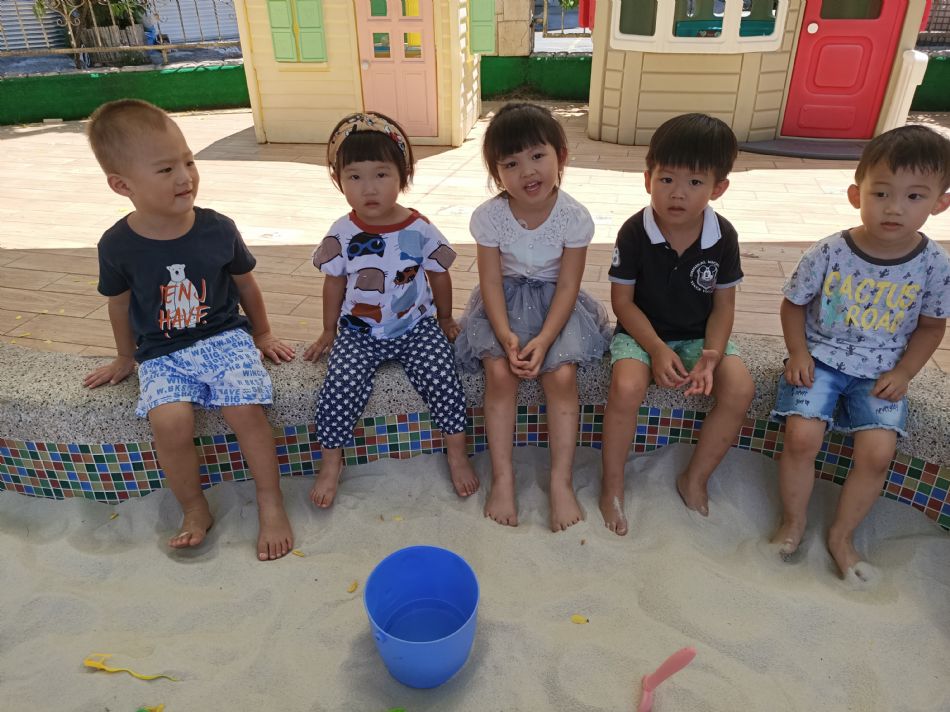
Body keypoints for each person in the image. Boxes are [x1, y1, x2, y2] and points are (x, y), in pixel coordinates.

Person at [82, 99, 295, 560]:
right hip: (161, 352)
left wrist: (262, 334)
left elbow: (246, 285)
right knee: (169, 422)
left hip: (224, 338)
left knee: (245, 410)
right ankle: (194, 508)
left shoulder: (217, 228)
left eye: (189, 161)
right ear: (122, 185)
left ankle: (270, 500)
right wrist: (124, 356)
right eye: (165, 169)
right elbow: (119, 304)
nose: (185, 177)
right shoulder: (117, 246)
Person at [771, 125, 950, 580]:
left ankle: (841, 536)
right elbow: (793, 304)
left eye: (914, 196)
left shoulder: (934, 264)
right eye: (881, 193)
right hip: (821, 357)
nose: (894, 207)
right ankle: (793, 523)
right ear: (857, 194)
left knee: (877, 452)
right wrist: (797, 353)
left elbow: (932, 327)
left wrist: (905, 372)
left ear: (940, 203)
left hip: (882, 369)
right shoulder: (830, 251)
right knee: (801, 436)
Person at [304, 111, 479, 507]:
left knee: (444, 380)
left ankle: (457, 454)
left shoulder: (419, 228)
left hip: (416, 327)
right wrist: (329, 330)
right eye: (354, 176)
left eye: (381, 174)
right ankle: (331, 463)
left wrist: (445, 317)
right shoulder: (342, 232)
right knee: (338, 388)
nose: (369, 188)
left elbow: (438, 273)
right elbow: (334, 282)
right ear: (338, 179)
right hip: (358, 332)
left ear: (404, 175)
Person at [454, 102, 611, 531]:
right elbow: (489, 281)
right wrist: (504, 334)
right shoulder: (489, 218)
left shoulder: (573, 217)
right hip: (502, 305)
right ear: (496, 173)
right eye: (511, 163)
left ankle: (560, 481)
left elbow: (569, 285)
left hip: (556, 307)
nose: (527, 171)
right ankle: (503, 477)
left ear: (561, 156)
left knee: (560, 377)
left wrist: (543, 339)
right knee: (499, 374)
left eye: (538, 156)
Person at [600, 113, 755, 536]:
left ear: (718, 188)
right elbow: (622, 303)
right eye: (666, 179)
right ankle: (612, 486)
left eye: (695, 182)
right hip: (641, 334)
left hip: (700, 336)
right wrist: (655, 348)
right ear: (647, 178)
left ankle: (695, 478)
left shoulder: (723, 236)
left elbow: (723, 306)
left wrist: (712, 355)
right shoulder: (635, 231)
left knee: (740, 388)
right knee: (626, 386)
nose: (678, 193)